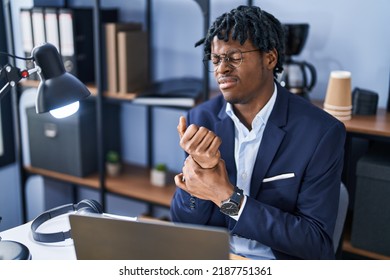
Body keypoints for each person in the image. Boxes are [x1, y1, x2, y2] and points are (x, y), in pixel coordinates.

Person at [170, 5, 346, 260]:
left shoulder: (321, 133)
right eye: (216, 60)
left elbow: (316, 243)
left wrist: (227, 197)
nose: (221, 69)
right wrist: (199, 172)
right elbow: (182, 222)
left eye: (234, 57)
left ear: (270, 58)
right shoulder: (201, 119)